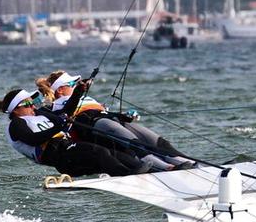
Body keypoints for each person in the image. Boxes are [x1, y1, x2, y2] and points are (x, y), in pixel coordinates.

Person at [0, 88, 154, 177]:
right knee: (100, 153)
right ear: (17, 109)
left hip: (69, 150)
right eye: (28, 104)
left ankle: (143, 170)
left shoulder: (39, 114)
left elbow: (65, 112)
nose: (33, 106)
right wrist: (58, 126)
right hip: (58, 155)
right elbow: (34, 139)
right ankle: (130, 175)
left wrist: (78, 92)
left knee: (112, 151)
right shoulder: (17, 124)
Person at [35, 71, 193, 171]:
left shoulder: (85, 97)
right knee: (132, 140)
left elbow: (102, 112)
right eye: (72, 84)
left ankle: (185, 161)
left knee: (153, 139)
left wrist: (123, 115)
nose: (76, 85)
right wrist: (77, 94)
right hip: (91, 126)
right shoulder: (54, 106)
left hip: (106, 120)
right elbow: (64, 117)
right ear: (60, 89)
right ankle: (169, 167)